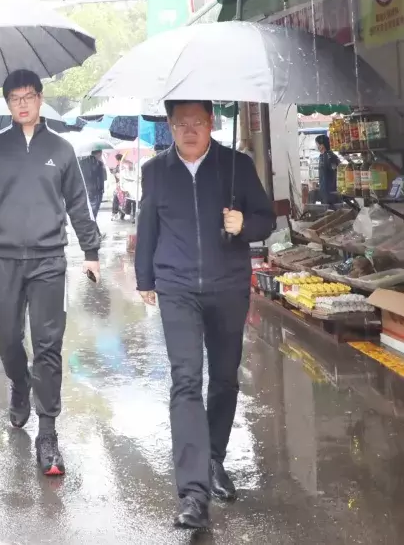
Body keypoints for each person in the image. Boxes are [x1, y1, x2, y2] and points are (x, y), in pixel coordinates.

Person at [135, 100, 274, 530]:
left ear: (212, 123)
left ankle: (214, 458)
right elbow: (147, 226)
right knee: (186, 380)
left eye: (197, 122)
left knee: (226, 377)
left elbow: (266, 219)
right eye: (181, 123)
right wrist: (145, 279)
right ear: (170, 126)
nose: (190, 130)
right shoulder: (155, 171)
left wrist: (243, 224)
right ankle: (193, 494)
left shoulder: (236, 166)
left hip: (227, 285)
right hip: (176, 286)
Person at [0, 69, 101, 477]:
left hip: (48, 260)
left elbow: (78, 203)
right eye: (15, 98)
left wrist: (90, 250)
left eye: (29, 96)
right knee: (7, 338)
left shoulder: (61, 149)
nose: (22, 104)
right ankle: (20, 384)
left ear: (40, 99)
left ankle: (48, 434)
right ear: (7, 103)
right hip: (4, 259)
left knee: (48, 344)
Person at [79, 149, 107, 228]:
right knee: (93, 212)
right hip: (96, 190)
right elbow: (104, 178)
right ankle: (93, 230)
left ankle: (92, 229)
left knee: (88, 211)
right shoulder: (99, 164)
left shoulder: (82, 163)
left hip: (85, 190)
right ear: (99, 154)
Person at [315, 134, 340, 206]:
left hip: (331, 192)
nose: (316, 146)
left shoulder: (330, 156)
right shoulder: (322, 156)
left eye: (317, 144)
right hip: (324, 191)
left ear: (322, 145)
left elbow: (336, 171)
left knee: (331, 210)